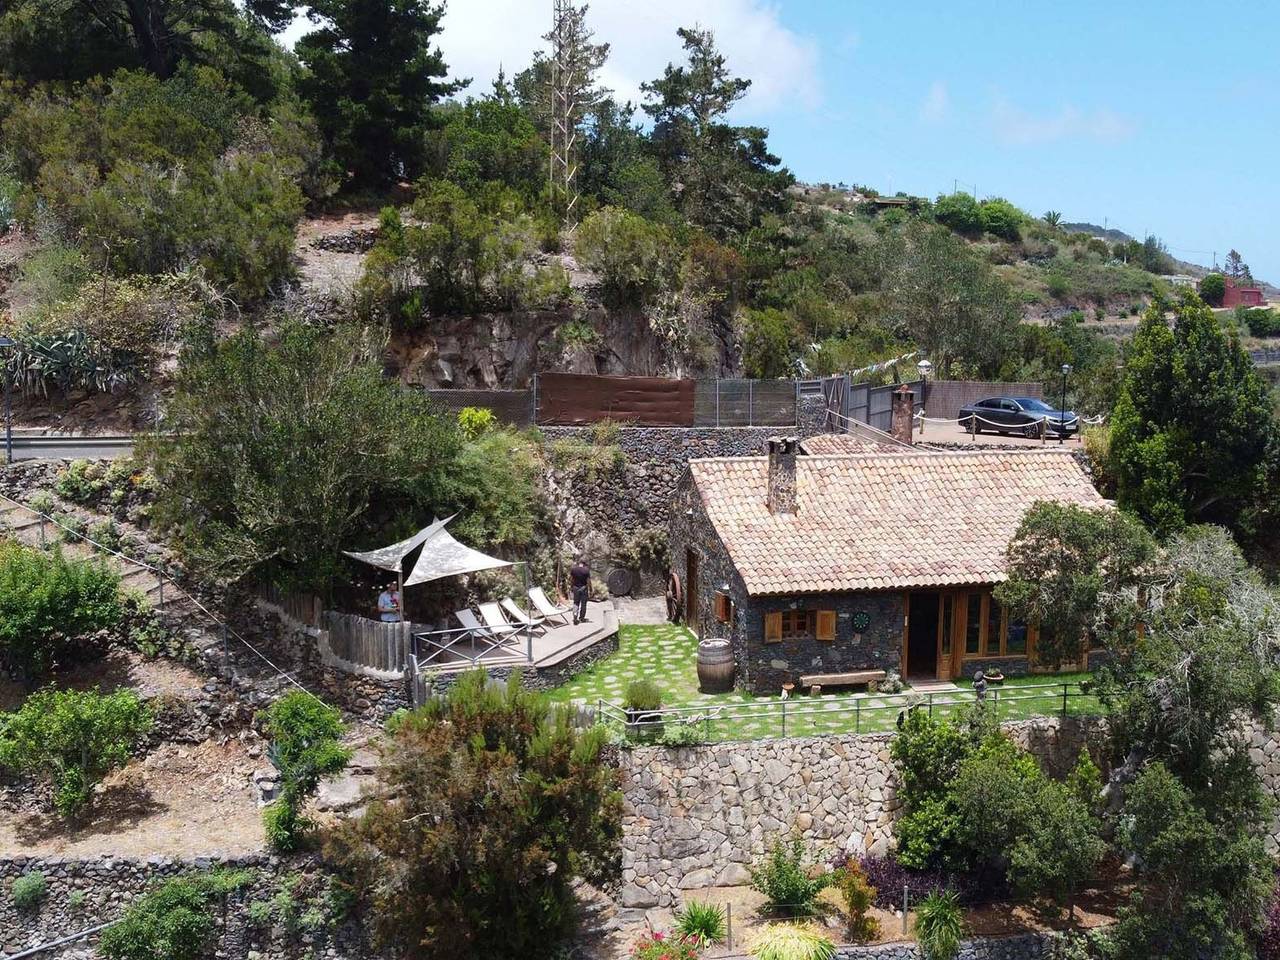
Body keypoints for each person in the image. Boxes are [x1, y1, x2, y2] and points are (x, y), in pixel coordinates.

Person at [570, 556, 590, 625]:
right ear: (584, 563)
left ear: (579, 563)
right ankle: (581, 618)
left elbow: (571, 579)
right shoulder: (586, 570)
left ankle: (575, 616)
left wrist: (571, 587)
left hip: (575, 587)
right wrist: (591, 589)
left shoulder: (574, 569)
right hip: (583, 588)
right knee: (583, 604)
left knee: (576, 602)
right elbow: (588, 581)